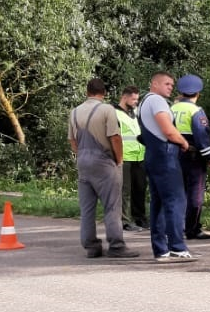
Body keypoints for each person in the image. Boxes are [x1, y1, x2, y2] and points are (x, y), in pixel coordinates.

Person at [68, 78, 137, 259]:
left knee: (87, 208)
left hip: (83, 161)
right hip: (104, 163)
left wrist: (83, 154)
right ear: (104, 93)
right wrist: (119, 160)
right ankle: (116, 245)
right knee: (112, 205)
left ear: (87, 92)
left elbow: (72, 141)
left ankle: (91, 246)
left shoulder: (74, 112)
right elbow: (115, 137)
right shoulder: (107, 109)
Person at [138, 71, 196, 261]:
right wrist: (184, 143)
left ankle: (161, 249)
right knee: (176, 201)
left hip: (153, 155)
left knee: (159, 204)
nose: (171, 87)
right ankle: (177, 247)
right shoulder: (157, 101)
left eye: (172, 85)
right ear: (154, 84)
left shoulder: (144, 102)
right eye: (167, 84)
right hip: (165, 155)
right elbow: (168, 130)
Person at [170, 74, 210, 241]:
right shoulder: (196, 111)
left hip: (174, 155)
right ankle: (193, 229)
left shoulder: (171, 108)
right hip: (193, 157)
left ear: (181, 92)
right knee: (195, 194)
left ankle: (177, 227)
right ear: (198, 93)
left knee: (178, 193)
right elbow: (202, 137)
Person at [114, 85, 148, 231]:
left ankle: (140, 219)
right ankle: (125, 221)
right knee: (125, 191)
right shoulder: (114, 113)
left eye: (137, 99)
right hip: (125, 157)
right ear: (124, 97)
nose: (136, 101)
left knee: (140, 189)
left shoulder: (135, 112)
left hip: (139, 156)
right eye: (133, 99)